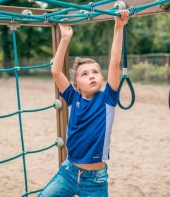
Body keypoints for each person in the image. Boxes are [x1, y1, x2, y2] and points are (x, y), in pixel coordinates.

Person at [39, 10, 129, 197]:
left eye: (95, 72)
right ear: (75, 85)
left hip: (95, 180)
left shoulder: (108, 99)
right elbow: (56, 71)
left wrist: (118, 26)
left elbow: (114, 62)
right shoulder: (73, 98)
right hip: (68, 172)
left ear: (102, 78)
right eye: (85, 74)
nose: (91, 76)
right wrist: (65, 38)